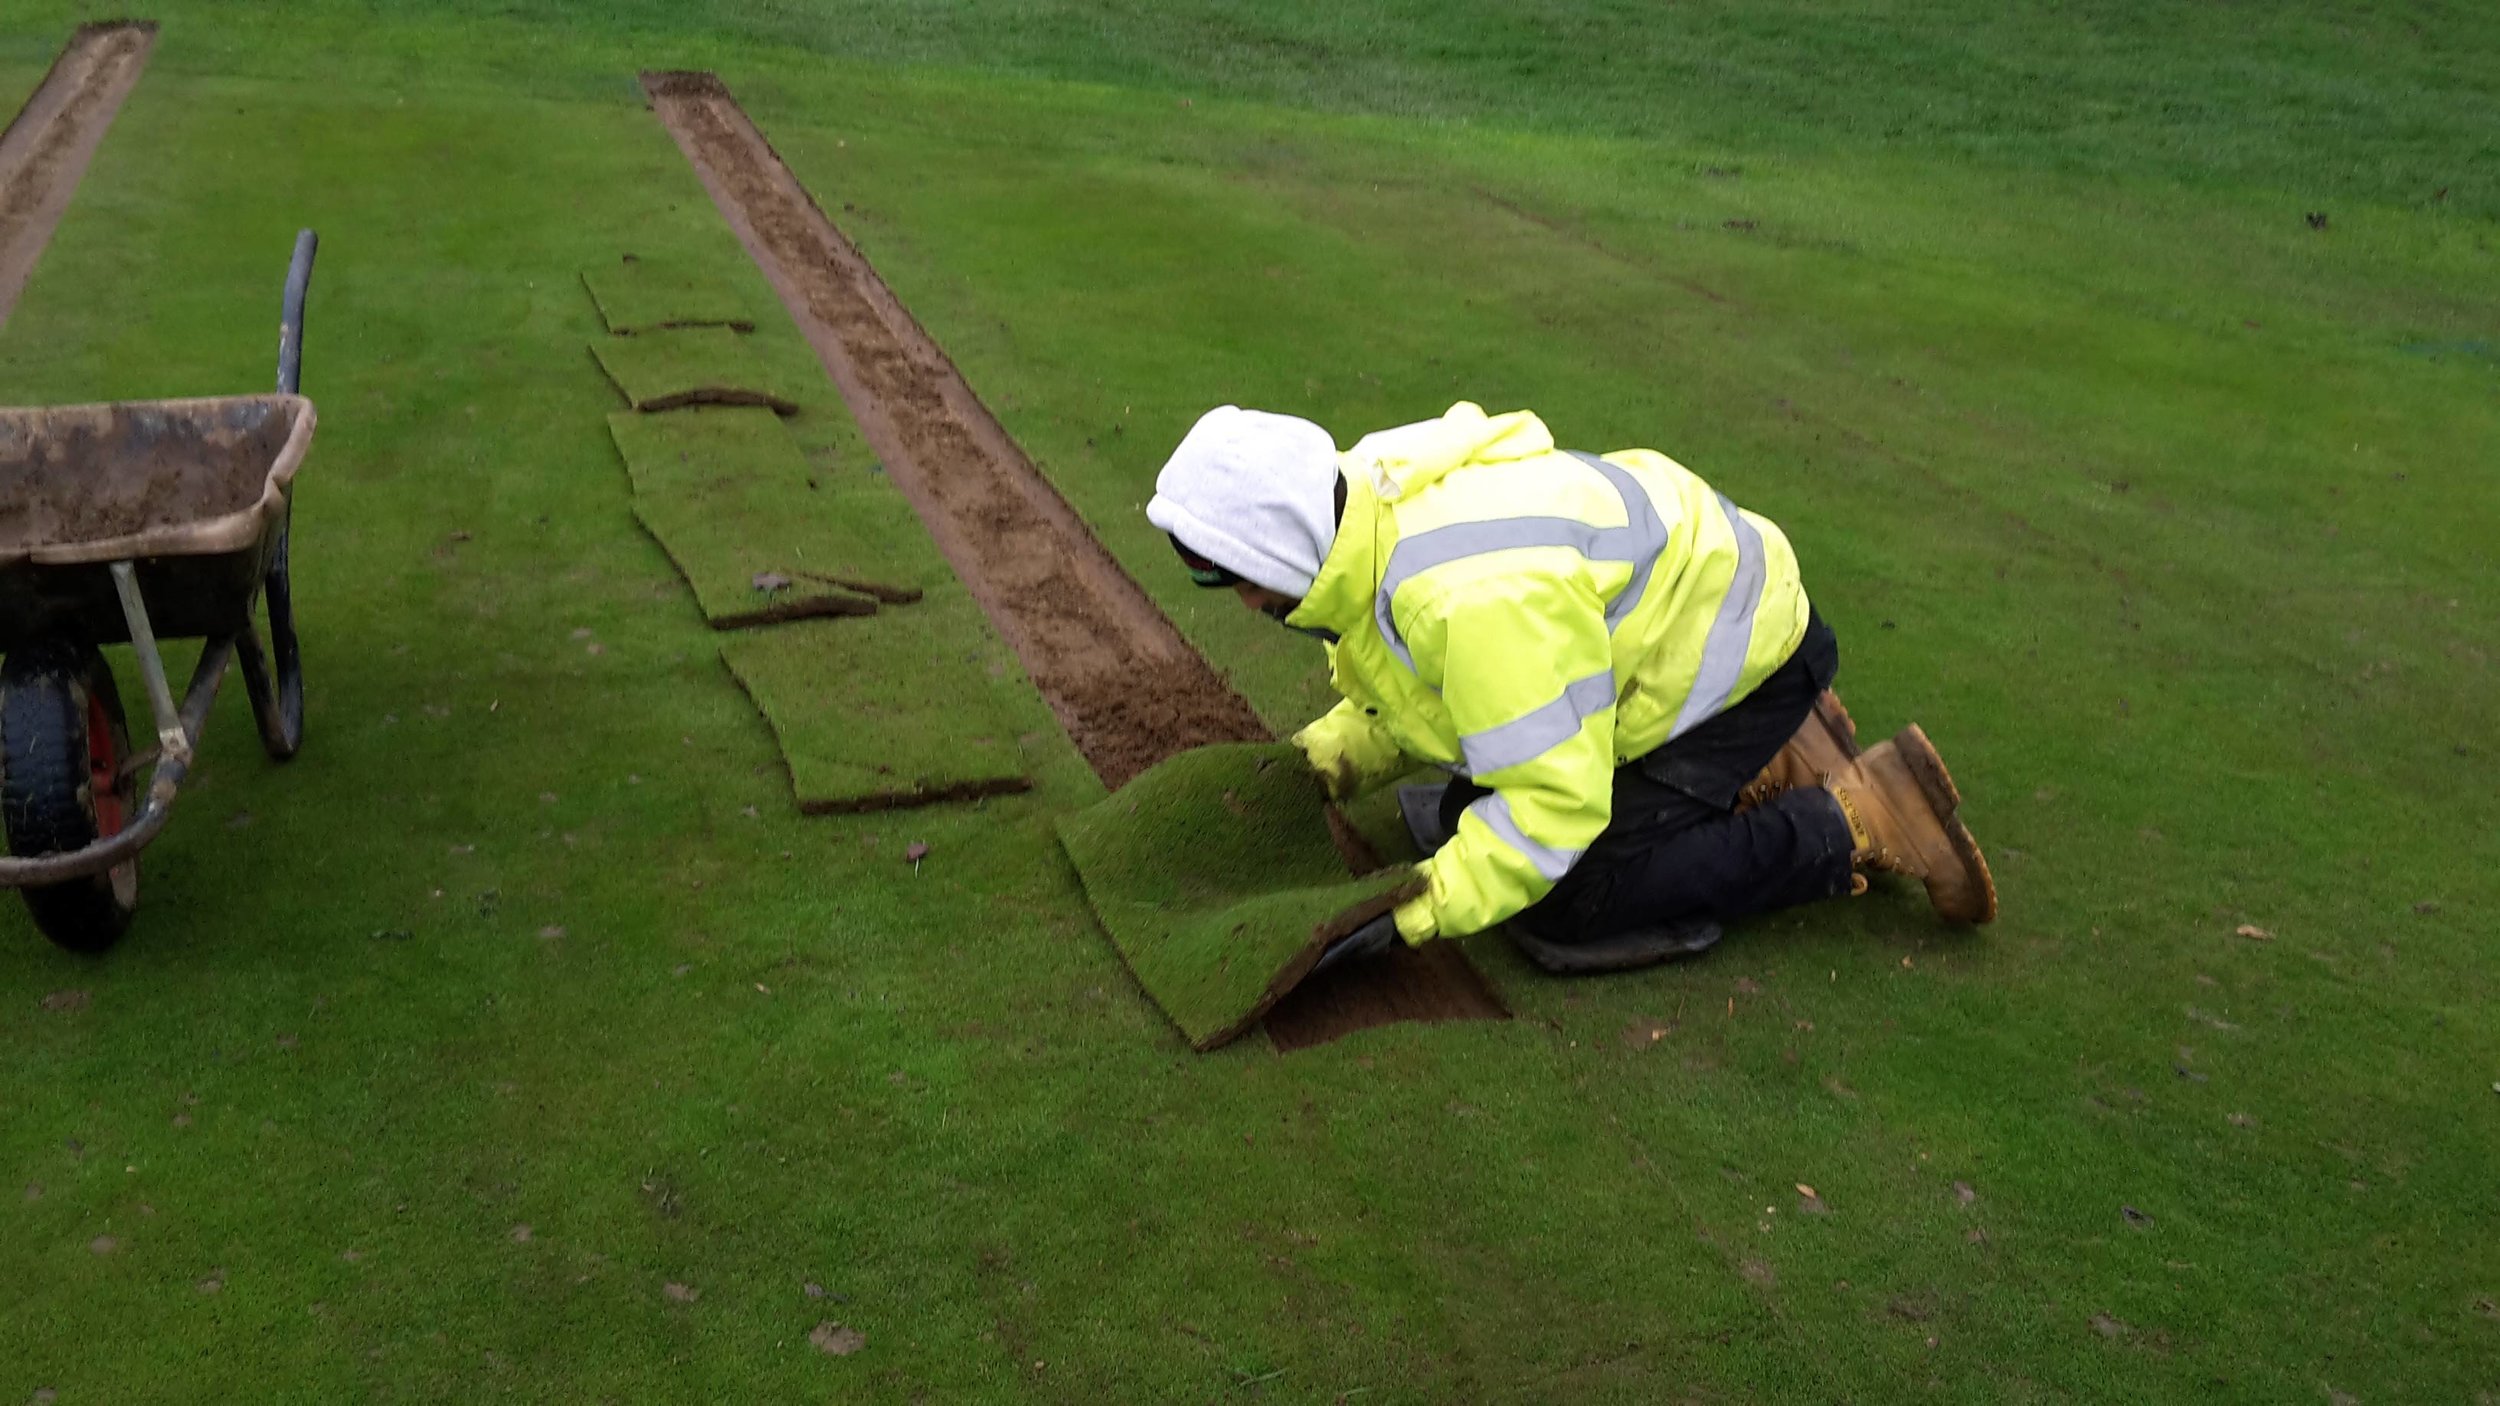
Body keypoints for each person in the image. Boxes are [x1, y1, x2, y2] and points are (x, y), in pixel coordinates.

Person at [1146, 402, 1994, 975]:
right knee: (1459, 817)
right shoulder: (1363, 512)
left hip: (1744, 658)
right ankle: (1766, 759)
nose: (1244, 600)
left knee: (1571, 898)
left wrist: (1412, 914)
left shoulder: (1468, 599)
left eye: (1226, 576)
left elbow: (1554, 807)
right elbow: (1421, 693)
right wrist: (1316, 765)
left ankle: (1853, 818)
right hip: (1685, 627)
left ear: (1277, 545)